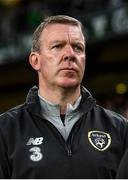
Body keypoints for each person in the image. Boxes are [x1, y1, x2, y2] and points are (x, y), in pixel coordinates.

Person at [0, 15, 128, 179]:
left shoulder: (120, 129)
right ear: (35, 61)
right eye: (57, 46)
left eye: (78, 47)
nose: (70, 54)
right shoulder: (5, 130)